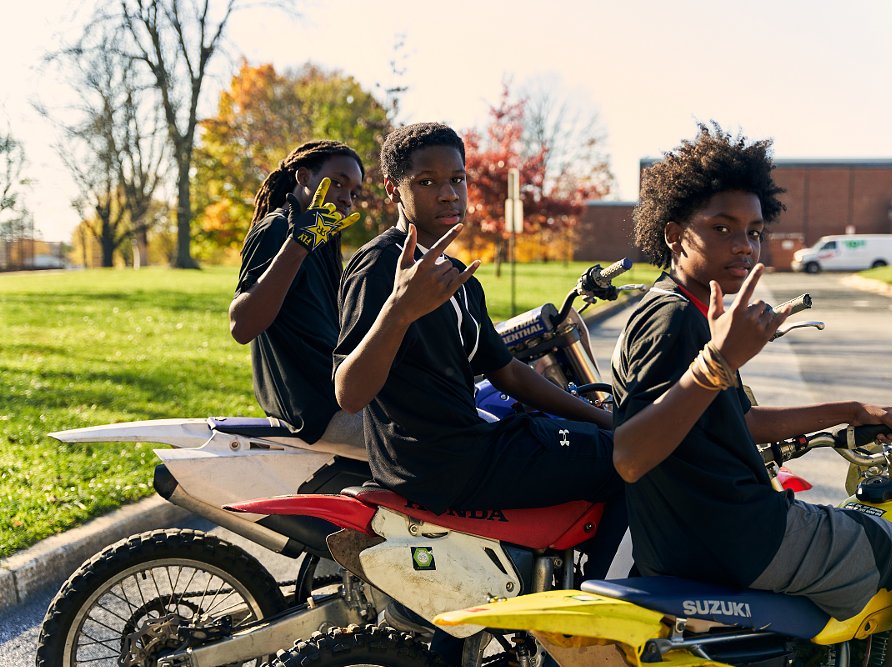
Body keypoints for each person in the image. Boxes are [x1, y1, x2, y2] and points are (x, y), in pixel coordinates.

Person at [611, 123, 892, 667]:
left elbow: (734, 422)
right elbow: (630, 456)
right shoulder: (678, 323)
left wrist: (844, 411)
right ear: (675, 234)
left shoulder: (673, 308)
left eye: (753, 232)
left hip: (687, 538)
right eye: (723, 228)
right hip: (738, 535)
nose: (743, 246)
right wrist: (720, 361)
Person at [334, 122, 626, 580]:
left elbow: (507, 370)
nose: (449, 194)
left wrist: (608, 418)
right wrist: (398, 311)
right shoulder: (380, 267)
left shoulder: (454, 272)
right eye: (427, 182)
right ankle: (591, 612)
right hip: (440, 464)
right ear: (394, 189)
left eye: (457, 178)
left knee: (615, 440)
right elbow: (349, 393)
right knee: (628, 460)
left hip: (470, 446)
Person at [230, 140, 365, 452]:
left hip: (344, 395)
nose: (346, 198)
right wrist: (298, 244)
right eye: (338, 184)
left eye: (354, 192)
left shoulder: (324, 240)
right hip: (318, 410)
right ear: (304, 177)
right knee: (449, 444)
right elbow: (242, 326)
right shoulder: (277, 228)